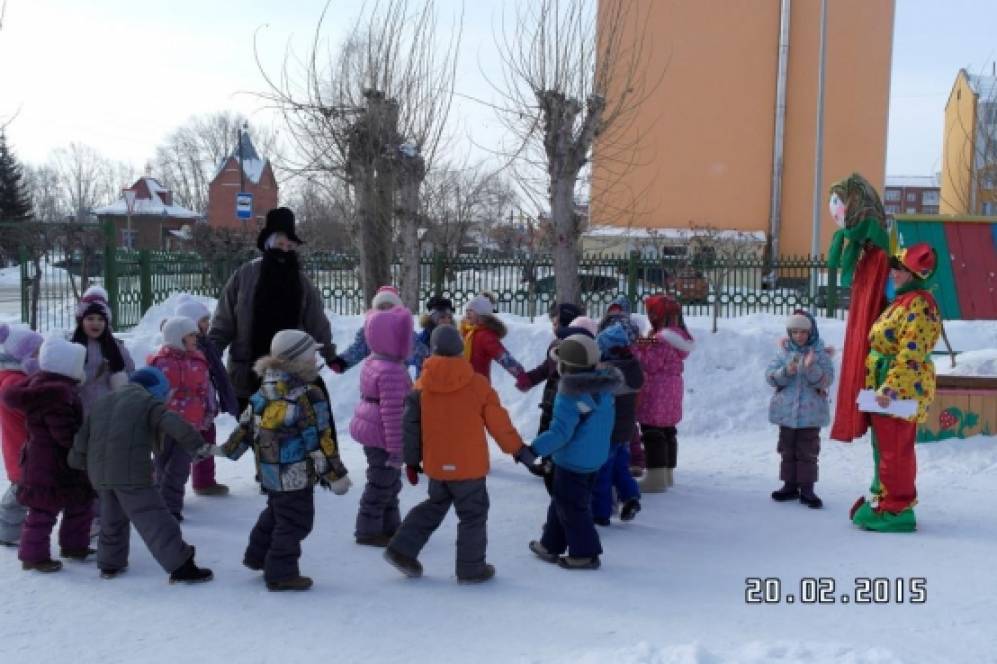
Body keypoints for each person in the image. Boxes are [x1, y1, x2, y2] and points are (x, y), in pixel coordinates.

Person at [383, 325, 534, 584]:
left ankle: (401, 549)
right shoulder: (477, 384)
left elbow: (410, 426)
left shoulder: (421, 386)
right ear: (460, 350)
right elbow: (498, 423)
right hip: (469, 467)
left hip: (437, 465)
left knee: (434, 506)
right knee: (473, 514)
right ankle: (471, 569)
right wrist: (519, 450)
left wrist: (411, 461)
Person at [214, 330, 351, 591]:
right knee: (296, 520)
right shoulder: (308, 395)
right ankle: (281, 572)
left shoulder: (266, 389)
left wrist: (228, 450)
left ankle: (257, 555)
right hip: (295, 473)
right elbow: (320, 440)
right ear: (299, 357)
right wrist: (335, 475)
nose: (315, 358)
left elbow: (246, 426)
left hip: (269, 471)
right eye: (312, 353)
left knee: (277, 512)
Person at [68, 367, 214, 583]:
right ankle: (181, 566)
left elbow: (83, 436)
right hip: (132, 475)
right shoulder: (146, 401)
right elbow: (173, 422)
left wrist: (77, 461)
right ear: (156, 391)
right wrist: (197, 445)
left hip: (99, 474)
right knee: (155, 519)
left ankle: (110, 564)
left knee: (112, 520)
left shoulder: (104, 402)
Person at [208, 207, 337, 411]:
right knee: (251, 433)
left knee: (285, 434)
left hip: (292, 378)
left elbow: (317, 321)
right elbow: (224, 321)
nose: (284, 251)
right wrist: (209, 354)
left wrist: (331, 355)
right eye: (280, 244)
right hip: (247, 374)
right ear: (268, 244)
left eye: (289, 245)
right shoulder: (245, 276)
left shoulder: (301, 283)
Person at [851, 243, 941, 533]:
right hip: (884, 384)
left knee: (896, 451)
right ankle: (882, 499)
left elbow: (911, 354)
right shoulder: (902, 301)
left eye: (900, 269)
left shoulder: (920, 304)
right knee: (884, 447)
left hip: (899, 389)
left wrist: (890, 388)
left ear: (915, 274)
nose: (893, 272)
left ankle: (897, 510)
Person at [526, 334, 622, 570]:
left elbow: (560, 433)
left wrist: (533, 449)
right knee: (562, 502)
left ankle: (586, 553)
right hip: (594, 459)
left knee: (572, 508)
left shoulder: (570, 395)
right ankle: (550, 544)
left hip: (572, 462)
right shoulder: (604, 387)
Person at [1, 338, 93, 573]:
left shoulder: (47, 386)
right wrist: (84, 443)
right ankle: (33, 556)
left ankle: (74, 545)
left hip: (52, 461)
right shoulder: (57, 395)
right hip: (50, 464)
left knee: (79, 503)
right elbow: (64, 434)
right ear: (66, 366)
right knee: (44, 510)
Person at [350, 305, 413, 547]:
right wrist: (397, 450)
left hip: (371, 427)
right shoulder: (392, 371)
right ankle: (367, 529)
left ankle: (389, 525)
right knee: (381, 482)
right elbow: (393, 414)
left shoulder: (374, 361)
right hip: (383, 434)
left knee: (388, 481)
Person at [765, 310, 835, 509]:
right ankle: (789, 485)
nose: (799, 336)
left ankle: (807, 488)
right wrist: (786, 371)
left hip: (810, 415)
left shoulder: (820, 355)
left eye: (803, 332)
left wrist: (811, 367)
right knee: (787, 449)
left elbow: (827, 379)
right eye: (794, 332)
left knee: (808, 451)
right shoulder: (784, 353)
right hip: (787, 413)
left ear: (811, 332)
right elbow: (770, 376)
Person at [147, 317, 212, 521]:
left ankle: (171, 507)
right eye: (191, 335)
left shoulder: (199, 360)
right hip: (164, 424)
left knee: (179, 467)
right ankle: (157, 502)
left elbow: (206, 389)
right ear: (177, 337)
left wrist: (209, 410)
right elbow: (149, 392)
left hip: (190, 424)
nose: (196, 338)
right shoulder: (159, 361)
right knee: (161, 463)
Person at [175, 298, 239, 496]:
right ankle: (172, 487)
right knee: (182, 449)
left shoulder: (206, 345)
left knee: (206, 442)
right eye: (203, 320)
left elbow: (216, 374)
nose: (208, 324)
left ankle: (204, 482)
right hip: (186, 410)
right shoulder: (183, 350)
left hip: (205, 406)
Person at [632, 294, 694, 492]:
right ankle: (667, 474)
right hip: (672, 391)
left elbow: (650, 363)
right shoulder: (677, 336)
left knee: (652, 433)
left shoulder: (661, 339)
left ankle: (655, 478)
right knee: (668, 431)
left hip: (656, 393)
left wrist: (635, 349)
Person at [591, 322, 644, 525]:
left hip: (609, 431)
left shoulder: (611, 373)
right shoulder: (633, 367)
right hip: (626, 430)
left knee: (603, 472)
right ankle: (631, 496)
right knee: (620, 467)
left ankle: (601, 513)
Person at [0, 324, 44, 546]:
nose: (41, 358)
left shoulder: (11, 377)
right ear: (23, 356)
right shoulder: (15, 382)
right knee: (21, 490)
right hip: (22, 448)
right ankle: (6, 533)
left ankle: (8, 530)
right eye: (37, 352)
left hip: (18, 447)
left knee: (23, 488)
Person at [328, 286, 430, 374]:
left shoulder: (404, 332)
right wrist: (342, 362)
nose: (386, 311)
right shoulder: (369, 331)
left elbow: (419, 354)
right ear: (375, 310)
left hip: (398, 380)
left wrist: (429, 365)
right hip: (373, 378)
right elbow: (357, 349)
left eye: (390, 307)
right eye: (381, 307)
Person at [71, 286, 135, 415]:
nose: (96, 323)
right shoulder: (73, 346)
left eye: (101, 319)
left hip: (108, 408)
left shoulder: (115, 346)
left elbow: (130, 369)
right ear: (81, 321)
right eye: (90, 319)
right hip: (79, 409)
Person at [459, 294, 526, 384]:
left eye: (471, 310)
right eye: (466, 310)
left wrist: (521, 375)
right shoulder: (466, 331)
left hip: (479, 386)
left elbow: (502, 356)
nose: (467, 313)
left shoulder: (486, 335)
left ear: (481, 315)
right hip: (462, 384)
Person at [413, 296, 454, 377]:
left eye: (449, 317)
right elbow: (416, 359)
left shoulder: (452, 336)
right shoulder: (424, 337)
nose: (446, 320)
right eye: (442, 317)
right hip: (426, 380)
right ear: (433, 318)